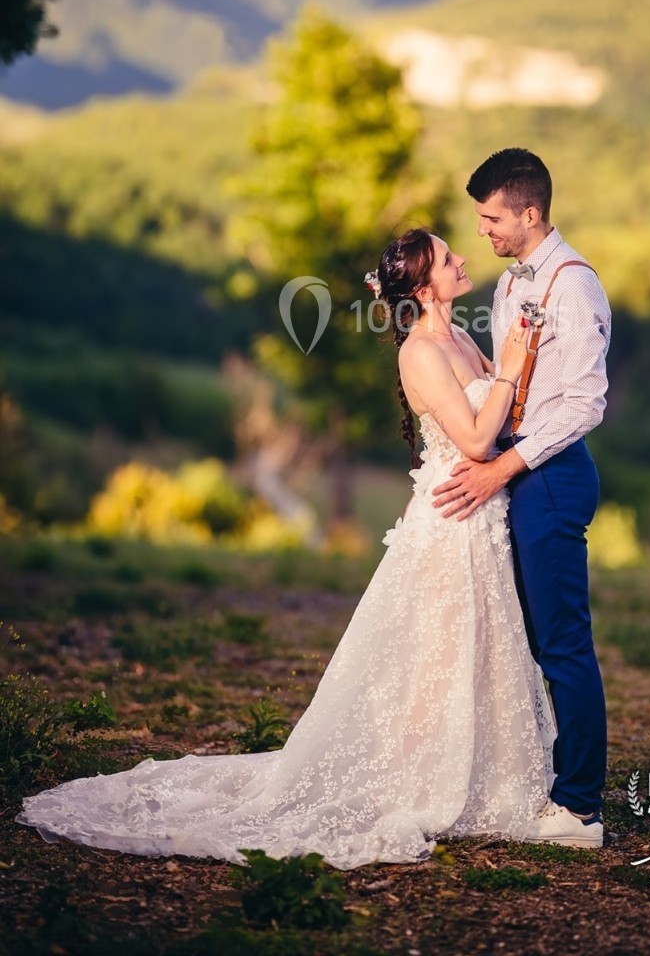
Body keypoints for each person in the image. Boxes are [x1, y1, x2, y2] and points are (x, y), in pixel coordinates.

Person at [16, 228, 564, 870]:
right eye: (448, 257)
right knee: (436, 653)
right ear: (423, 286)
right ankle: (422, 780)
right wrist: (517, 360)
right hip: (451, 524)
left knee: (477, 648)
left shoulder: (461, 338)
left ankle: (479, 773)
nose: (461, 259)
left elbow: (499, 416)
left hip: (482, 519)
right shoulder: (420, 353)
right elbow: (474, 440)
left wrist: (517, 363)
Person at [432, 149, 610, 848]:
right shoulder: (511, 287)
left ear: (530, 214)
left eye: (491, 217)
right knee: (527, 640)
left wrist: (501, 467)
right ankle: (534, 778)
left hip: (553, 475)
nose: (482, 230)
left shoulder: (575, 287)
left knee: (563, 641)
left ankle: (581, 808)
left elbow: (585, 404)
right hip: (515, 468)